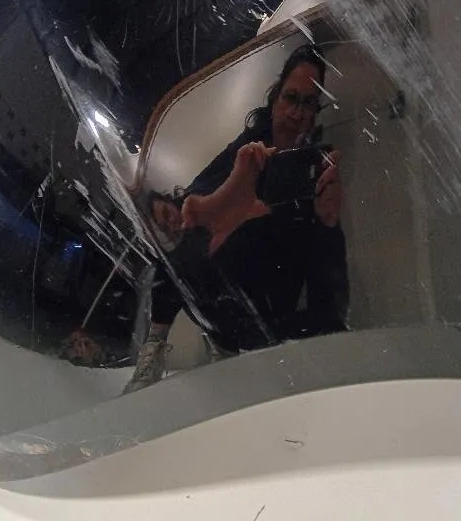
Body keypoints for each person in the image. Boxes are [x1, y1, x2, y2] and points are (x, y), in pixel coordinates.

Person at [126, 45, 349, 391]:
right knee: (186, 238)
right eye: (291, 98)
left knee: (329, 320)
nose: (296, 113)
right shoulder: (249, 150)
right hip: (224, 296)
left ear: (316, 111)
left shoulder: (316, 169)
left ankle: (234, 348)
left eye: (308, 103)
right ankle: (156, 345)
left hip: (271, 315)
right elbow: (197, 194)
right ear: (275, 100)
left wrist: (328, 223)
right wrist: (219, 205)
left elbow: (330, 295)